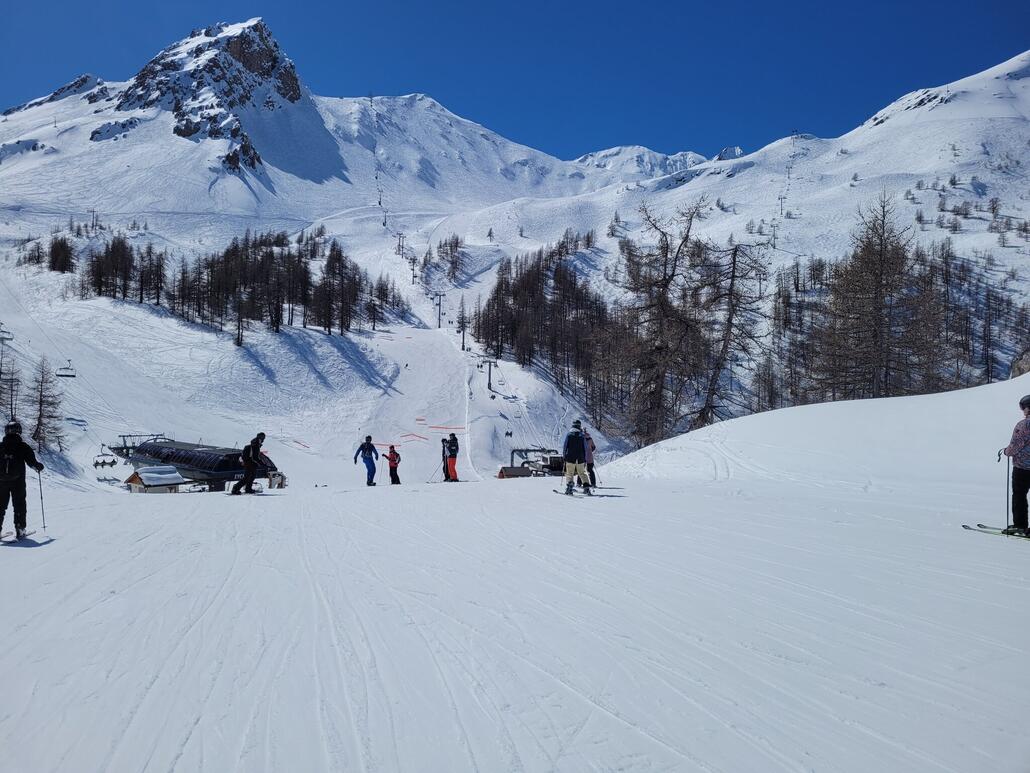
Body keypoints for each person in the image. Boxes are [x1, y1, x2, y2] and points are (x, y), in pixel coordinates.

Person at [0, 421, 45, 540]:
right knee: (19, 504)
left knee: (0, 506)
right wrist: (39, 466)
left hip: (1, 481)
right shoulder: (22, 446)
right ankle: (20, 529)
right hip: (18, 481)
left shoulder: (0, 446)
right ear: (19, 431)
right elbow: (32, 463)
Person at [1002, 394, 1030, 535]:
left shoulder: (1024, 425)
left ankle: (1020, 525)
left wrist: (1006, 452)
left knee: (1019, 495)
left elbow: (1015, 446)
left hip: (1023, 468)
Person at [562, 420, 591, 496]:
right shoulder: (582, 436)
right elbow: (585, 448)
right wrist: (585, 458)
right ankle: (586, 488)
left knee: (570, 473)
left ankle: (569, 488)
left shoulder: (569, 435)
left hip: (570, 457)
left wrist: (564, 456)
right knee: (582, 473)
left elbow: (565, 446)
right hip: (580, 458)